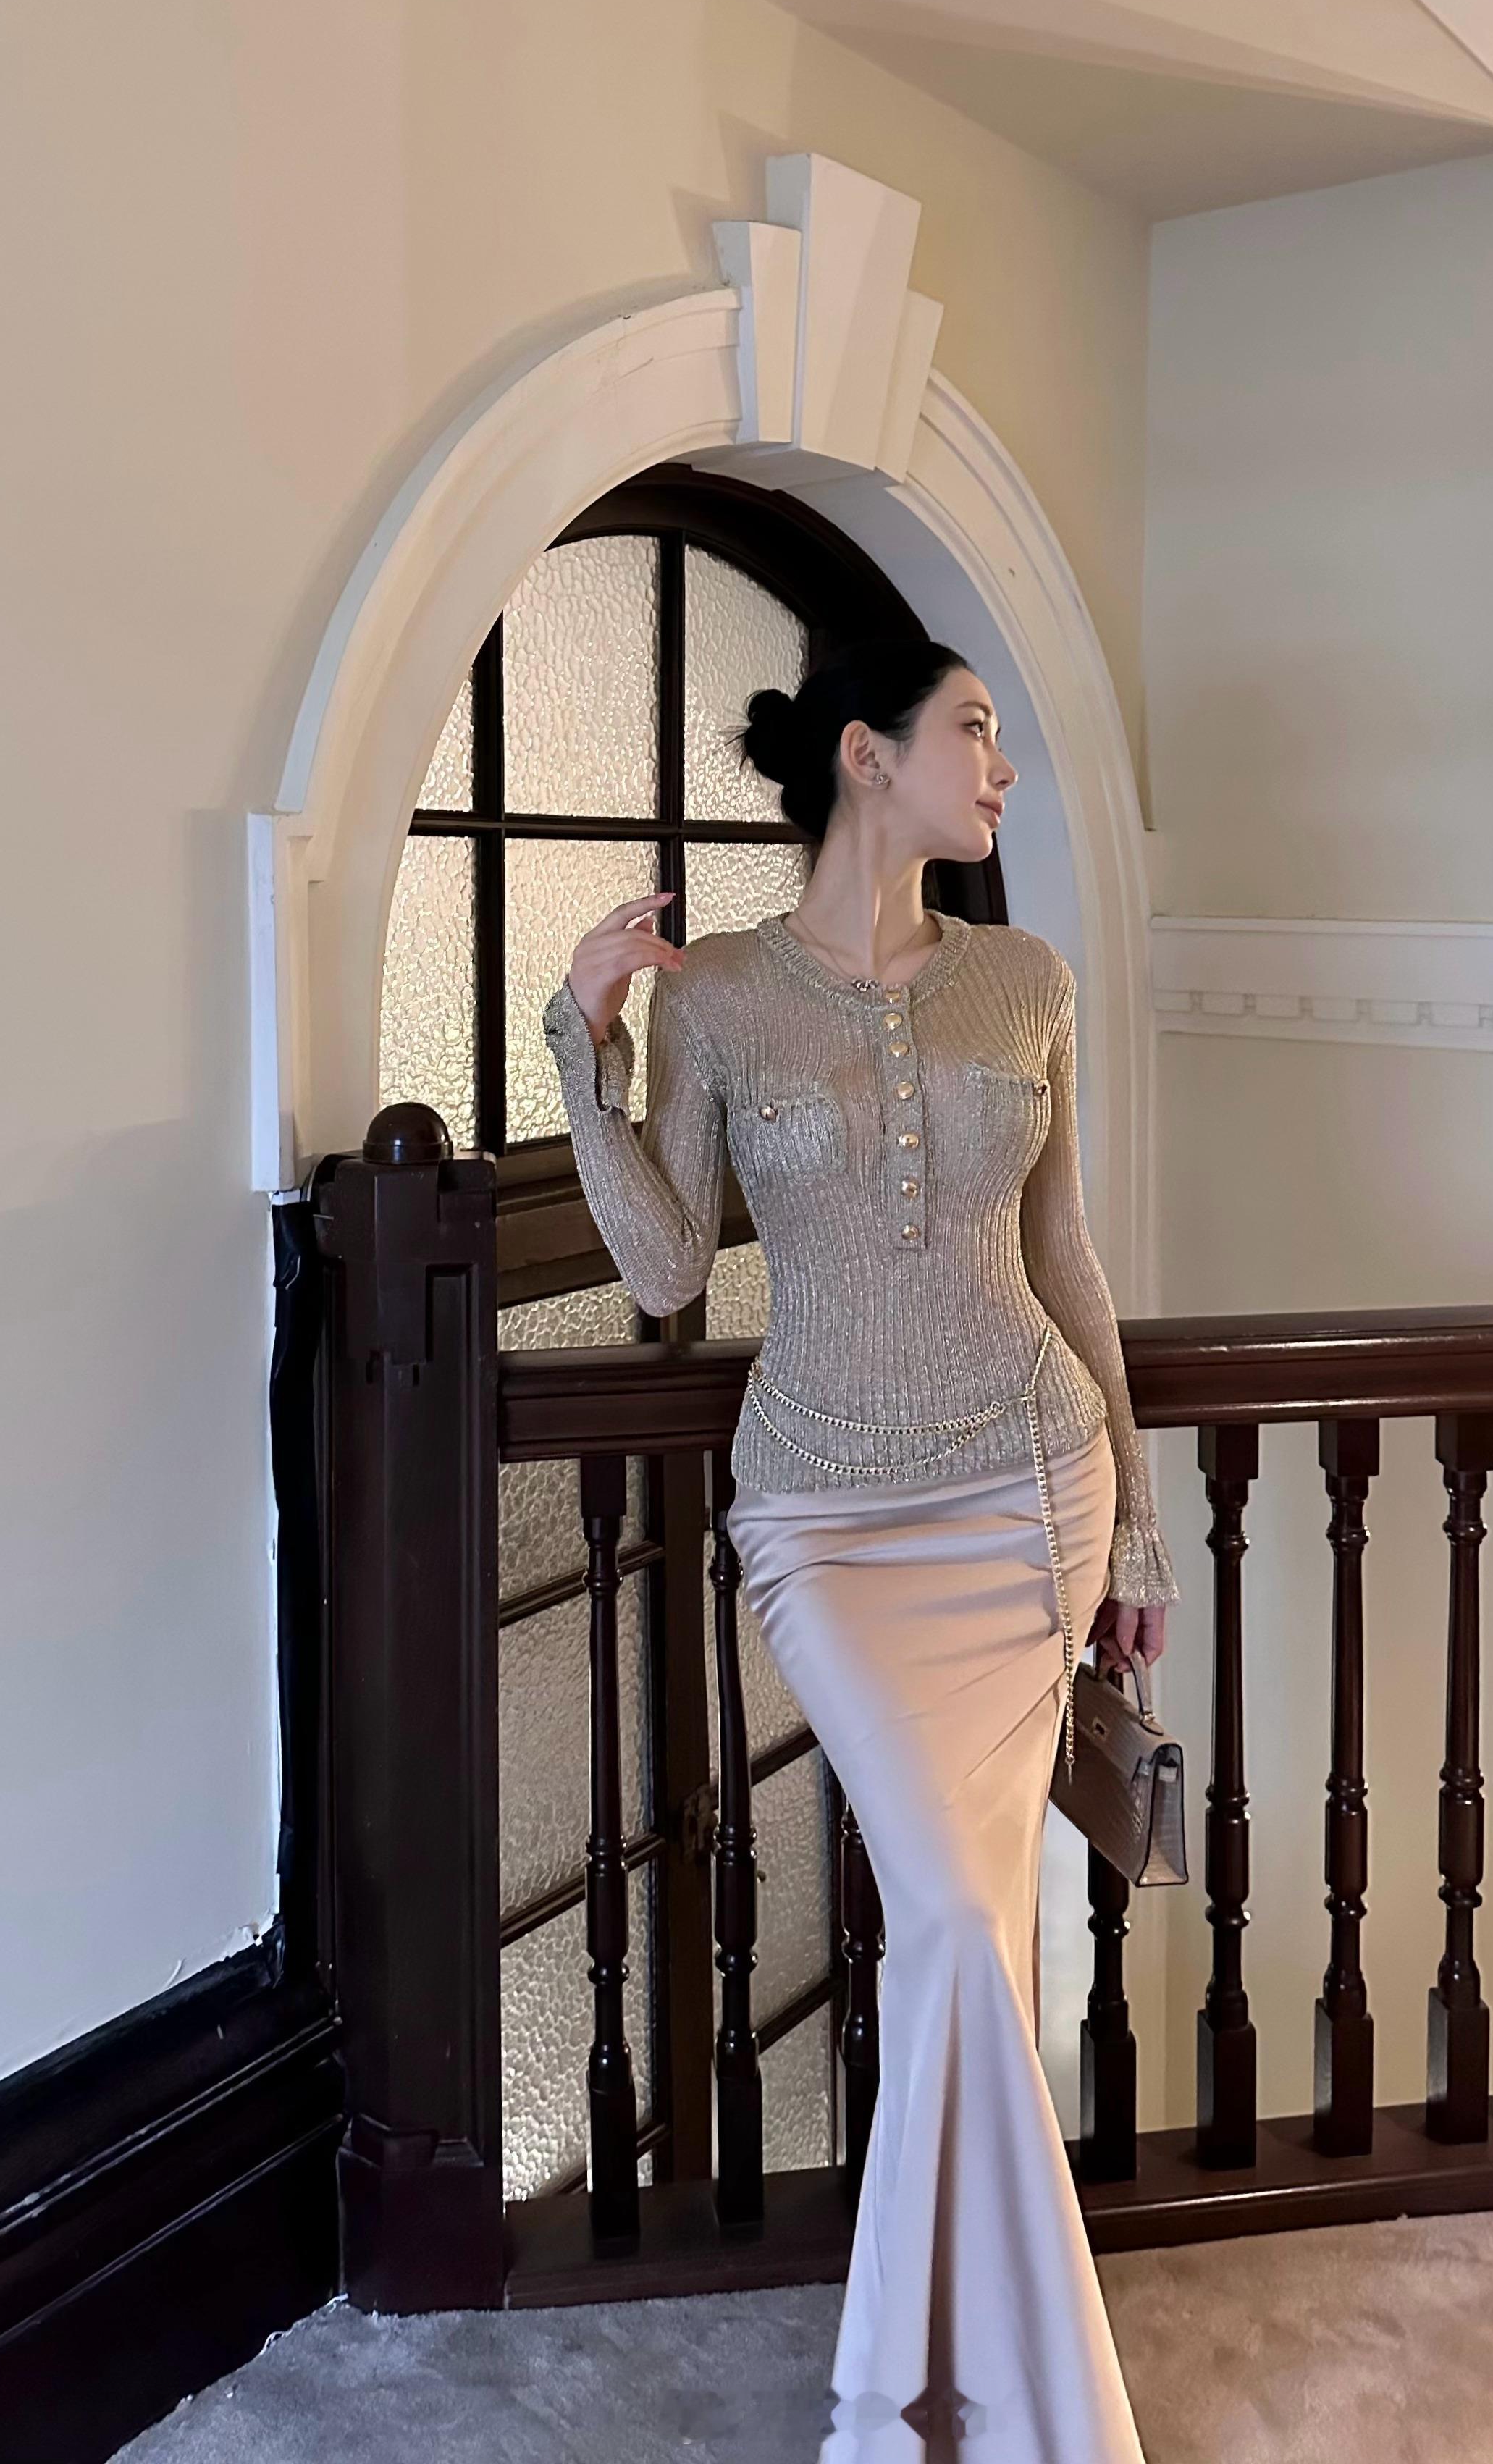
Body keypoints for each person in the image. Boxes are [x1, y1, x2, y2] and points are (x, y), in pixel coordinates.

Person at [540, 639, 1177, 2463]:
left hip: (1030, 1495)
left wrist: (1138, 1519)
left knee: (967, 1943)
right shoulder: (724, 997)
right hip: (826, 1519)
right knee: (965, 1932)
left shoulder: (1028, 978)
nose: (1001, 767)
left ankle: (924, 2404)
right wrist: (582, 1042)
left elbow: (1067, 1258)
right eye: (974, 729)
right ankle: (1001, 2405)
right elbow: (668, 1264)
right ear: (866, 756)